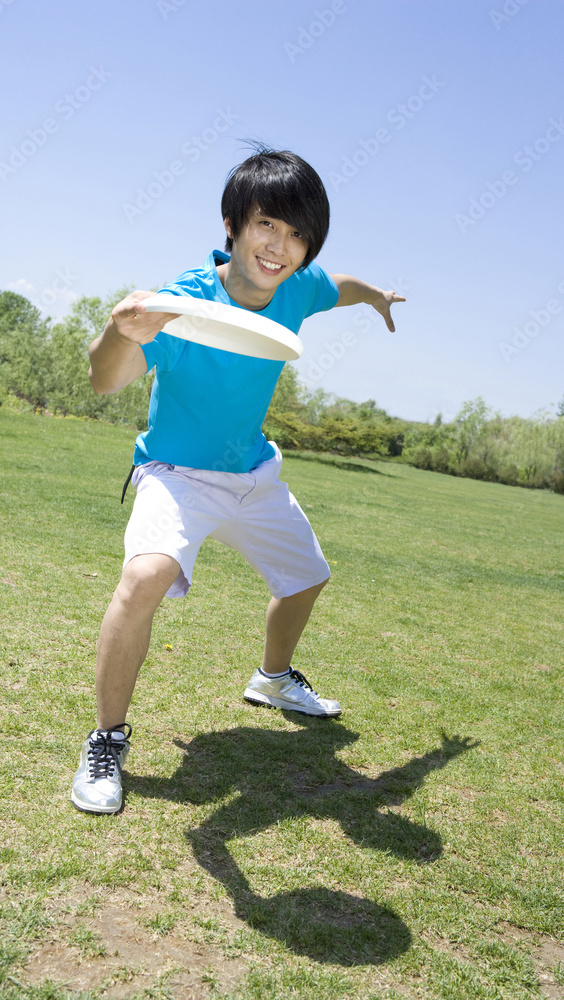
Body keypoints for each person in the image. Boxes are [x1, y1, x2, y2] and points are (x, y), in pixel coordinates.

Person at [71, 147, 405, 814]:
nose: (281, 247)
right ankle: (106, 739)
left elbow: (338, 284)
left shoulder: (298, 285)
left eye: (297, 233)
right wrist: (117, 331)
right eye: (267, 226)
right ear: (231, 224)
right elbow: (104, 379)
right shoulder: (184, 301)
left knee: (308, 576)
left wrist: (377, 298)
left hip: (251, 471)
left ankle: (273, 680)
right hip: (177, 473)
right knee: (143, 578)